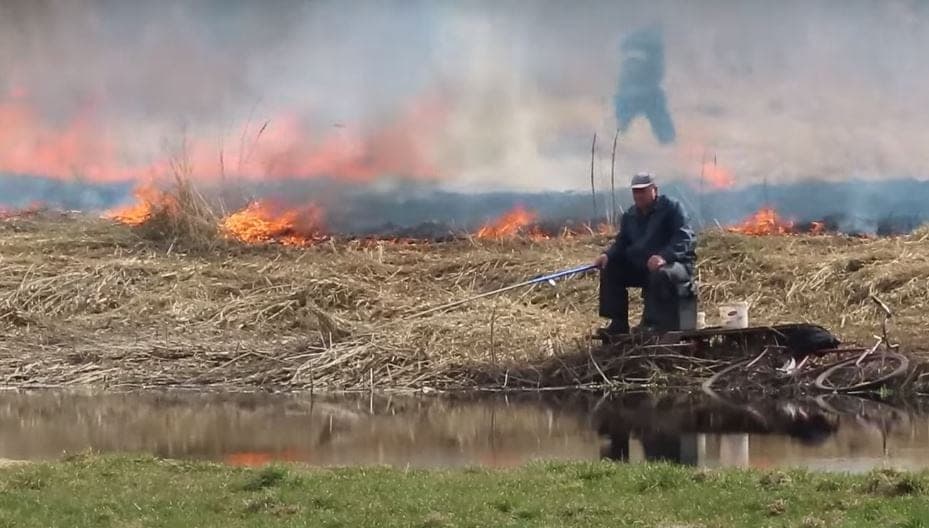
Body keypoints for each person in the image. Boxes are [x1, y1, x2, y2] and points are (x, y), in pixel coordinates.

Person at [593, 172, 696, 336]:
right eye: (635, 192)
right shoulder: (630, 216)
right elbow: (622, 242)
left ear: (654, 189)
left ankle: (652, 324)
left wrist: (664, 256)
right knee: (610, 268)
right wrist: (608, 255)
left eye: (643, 191)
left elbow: (685, 237)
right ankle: (618, 324)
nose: (638, 195)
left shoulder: (672, 208)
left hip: (676, 266)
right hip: (642, 268)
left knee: (660, 274)